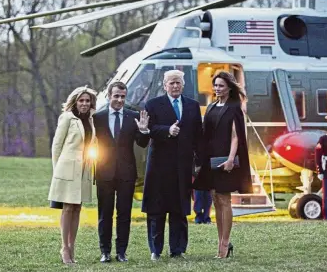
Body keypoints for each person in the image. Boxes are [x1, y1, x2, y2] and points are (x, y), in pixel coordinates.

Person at [142, 70, 203, 261]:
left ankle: (178, 250)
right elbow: (148, 129)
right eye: (171, 83)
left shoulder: (193, 106)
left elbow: (198, 136)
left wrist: (200, 161)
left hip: (182, 167)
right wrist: (167, 130)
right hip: (159, 167)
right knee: (157, 210)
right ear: (164, 85)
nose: (175, 86)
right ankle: (156, 250)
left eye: (178, 83)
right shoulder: (152, 105)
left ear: (183, 85)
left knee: (179, 210)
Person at [193, 71, 253, 259]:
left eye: (221, 85)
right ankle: (221, 242)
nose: (217, 89)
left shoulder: (235, 107)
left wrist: (230, 159)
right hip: (211, 161)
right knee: (216, 200)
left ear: (229, 87)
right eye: (215, 85)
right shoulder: (210, 107)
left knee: (224, 200)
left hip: (226, 161)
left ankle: (225, 244)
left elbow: (236, 136)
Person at [93, 81, 150, 263]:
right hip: (104, 172)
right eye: (116, 96)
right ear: (109, 95)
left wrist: (144, 130)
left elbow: (142, 143)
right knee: (105, 214)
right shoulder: (98, 117)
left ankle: (121, 252)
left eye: (123, 97)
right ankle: (105, 252)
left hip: (126, 173)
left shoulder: (133, 116)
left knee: (124, 214)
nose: (119, 100)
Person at [48, 86, 98, 264]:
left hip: (84, 169)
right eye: (81, 100)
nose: (84, 103)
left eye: (87, 100)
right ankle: (64, 248)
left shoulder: (92, 120)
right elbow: (56, 145)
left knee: (77, 208)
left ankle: (72, 245)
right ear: (75, 102)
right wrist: (57, 171)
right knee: (68, 208)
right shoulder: (67, 118)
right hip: (67, 169)